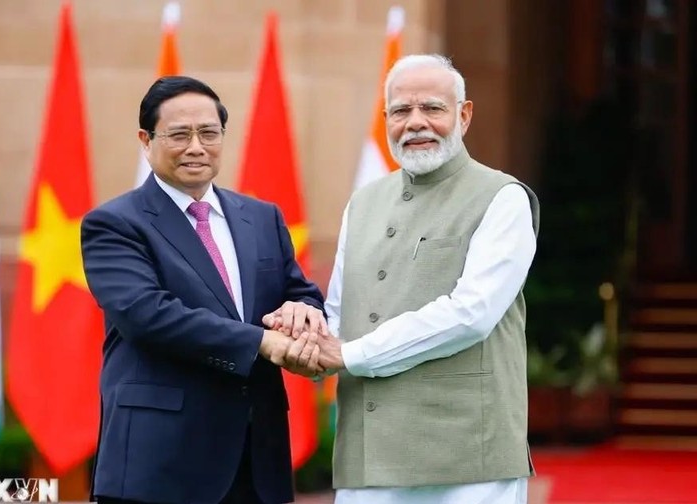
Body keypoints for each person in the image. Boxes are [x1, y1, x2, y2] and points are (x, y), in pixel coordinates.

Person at [81, 76, 326, 504]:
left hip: (257, 459)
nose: (196, 147)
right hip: (159, 464)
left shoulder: (262, 217)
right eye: (179, 134)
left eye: (209, 133)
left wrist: (302, 312)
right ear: (146, 139)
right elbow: (148, 315)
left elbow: (300, 291)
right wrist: (262, 342)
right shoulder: (114, 224)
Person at [316, 54, 540, 503]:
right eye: (401, 111)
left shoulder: (502, 197)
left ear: (464, 114)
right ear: (386, 120)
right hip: (367, 455)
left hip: (464, 458)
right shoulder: (362, 203)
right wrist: (304, 337)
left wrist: (351, 354)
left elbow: (471, 314)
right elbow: (338, 311)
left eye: (432, 108)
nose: (416, 122)